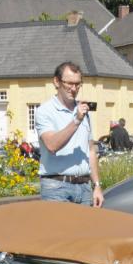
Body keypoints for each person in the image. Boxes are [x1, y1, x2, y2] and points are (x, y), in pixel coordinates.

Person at [35, 61, 103, 207]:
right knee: (59, 230)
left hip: (84, 187)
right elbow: (52, 145)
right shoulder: (45, 111)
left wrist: (97, 185)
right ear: (56, 82)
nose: (74, 89)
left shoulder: (83, 111)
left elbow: (90, 150)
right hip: (57, 187)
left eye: (78, 84)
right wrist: (77, 120)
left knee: (84, 230)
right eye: (69, 84)